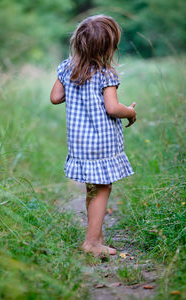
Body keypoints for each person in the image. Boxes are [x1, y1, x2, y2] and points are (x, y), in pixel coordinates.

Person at [50, 15, 136, 257]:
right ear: (109, 46)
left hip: (79, 142)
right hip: (101, 142)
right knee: (102, 187)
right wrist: (130, 111)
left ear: (78, 41)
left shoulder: (66, 67)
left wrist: (77, 94)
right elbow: (112, 108)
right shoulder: (105, 74)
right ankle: (92, 244)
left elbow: (55, 97)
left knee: (92, 188)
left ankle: (96, 236)